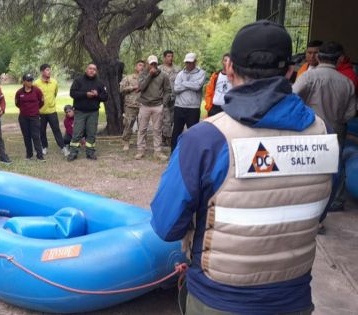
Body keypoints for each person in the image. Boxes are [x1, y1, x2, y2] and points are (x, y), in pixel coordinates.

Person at [151, 20, 339, 314]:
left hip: (218, 300)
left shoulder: (205, 139)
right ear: (290, 71)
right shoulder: (323, 133)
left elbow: (166, 225)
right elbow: (320, 209)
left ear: (229, 68)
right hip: (295, 301)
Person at [293, 41, 356, 213]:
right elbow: (350, 113)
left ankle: (307, 199)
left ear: (319, 57)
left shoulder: (308, 77)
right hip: (336, 129)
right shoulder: (347, 82)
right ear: (339, 60)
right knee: (337, 164)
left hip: (310, 127)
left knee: (306, 163)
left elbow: (292, 99)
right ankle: (336, 200)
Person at [67, 63, 108, 161]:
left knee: (91, 133)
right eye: (90, 68)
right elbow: (72, 93)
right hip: (80, 111)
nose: (92, 70)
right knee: (77, 133)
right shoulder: (78, 81)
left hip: (93, 112)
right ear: (86, 70)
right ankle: (73, 153)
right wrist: (86, 94)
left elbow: (105, 97)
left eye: (94, 69)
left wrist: (97, 95)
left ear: (96, 71)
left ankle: (90, 152)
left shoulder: (100, 83)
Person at [135, 55, 171, 161]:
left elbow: (168, 90)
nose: (153, 66)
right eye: (151, 64)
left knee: (157, 129)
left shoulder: (163, 75)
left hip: (158, 105)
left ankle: (158, 152)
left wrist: (163, 103)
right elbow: (141, 87)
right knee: (142, 129)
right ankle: (140, 150)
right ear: (147, 64)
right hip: (144, 105)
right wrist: (149, 76)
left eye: (155, 63)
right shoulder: (142, 74)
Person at [170, 52, 206, 151]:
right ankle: (173, 152)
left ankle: (192, 153)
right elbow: (176, 88)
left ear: (195, 62)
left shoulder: (201, 73)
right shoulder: (180, 73)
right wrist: (190, 84)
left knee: (193, 132)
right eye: (187, 62)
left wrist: (184, 83)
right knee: (176, 131)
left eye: (190, 62)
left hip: (193, 108)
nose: (188, 64)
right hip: (179, 106)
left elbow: (197, 86)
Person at [34, 64, 67, 156]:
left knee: (56, 129)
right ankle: (44, 147)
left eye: (49, 70)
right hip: (41, 112)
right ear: (42, 72)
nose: (49, 72)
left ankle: (63, 147)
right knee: (42, 131)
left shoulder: (54, 82)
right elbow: (35, 97)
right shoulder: (36, 83)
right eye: (47, 70)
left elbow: (55, 94)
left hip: (52, 111)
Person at [15, 74, 45, 161]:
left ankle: (40, 156)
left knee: (36, 136)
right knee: (26, 136)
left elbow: (42, 102)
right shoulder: (19, 92)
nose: (30, 82)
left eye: (31, 80)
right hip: (23, 118)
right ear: (24, 81)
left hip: (34, 117)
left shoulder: (37, 91)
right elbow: (17, 103)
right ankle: (29, 155)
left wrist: (34, 109)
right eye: (28, 80)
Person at [158, 50, 181, 146]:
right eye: (168, 56)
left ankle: (165, 137)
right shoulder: (159, 69)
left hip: (175, 97)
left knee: (172, 119)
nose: (170, 58)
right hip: (163, 97)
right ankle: (167, 138)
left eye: (171, 56)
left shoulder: (178, 69)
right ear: (164, 58)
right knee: (165, 119)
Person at [119, 60, 144, 151]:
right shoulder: (128, 78)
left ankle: (141, 143)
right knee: (128, 124)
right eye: (140, 65)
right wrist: (133, 87)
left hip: (143, 105)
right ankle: (126, 142)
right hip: (131, 105)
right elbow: (121, 89)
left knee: (142, 125)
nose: (142, 67)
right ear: (135, 67)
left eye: (143, 66)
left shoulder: (146, 79)